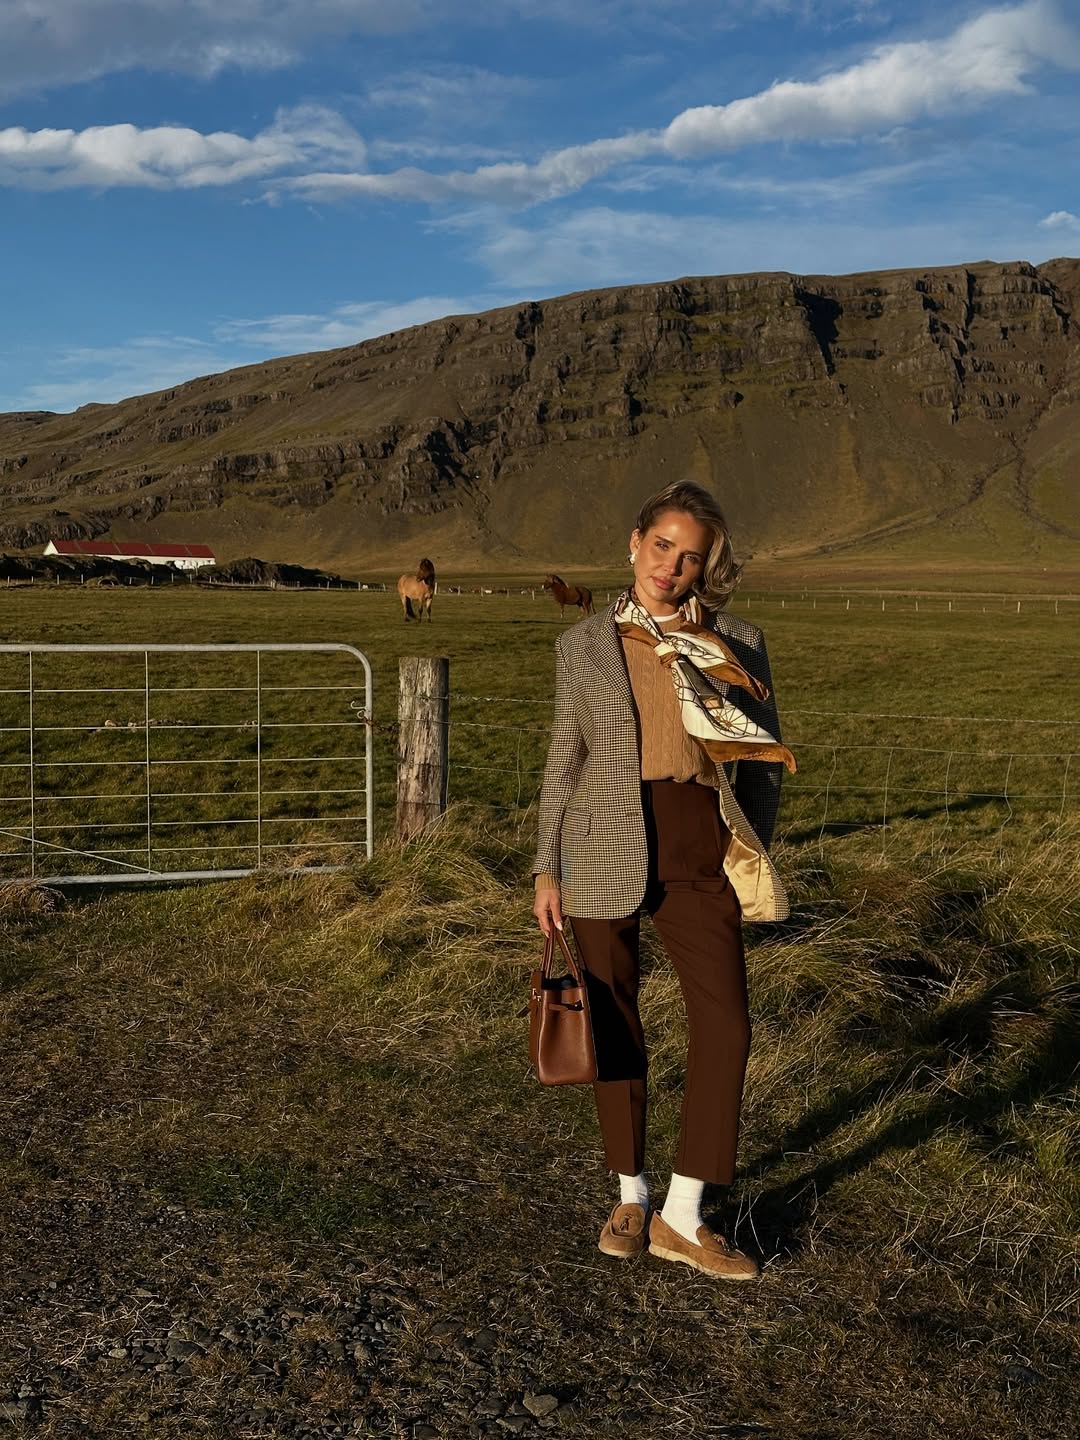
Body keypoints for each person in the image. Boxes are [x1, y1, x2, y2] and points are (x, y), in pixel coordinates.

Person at [532, 480, 794, 1281]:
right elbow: (562, 760)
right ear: (634, 543)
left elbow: (763, 764)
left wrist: (743, 846)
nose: (670, 567)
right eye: (660, 547)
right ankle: (630, 1194)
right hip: (599, 843)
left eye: (690, 558)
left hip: (695, 845)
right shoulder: (582, 645)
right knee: (614, 1021)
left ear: (706, 568)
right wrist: (546, 865)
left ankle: (684, 1214)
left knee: (727, 1025)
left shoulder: (737, 642)